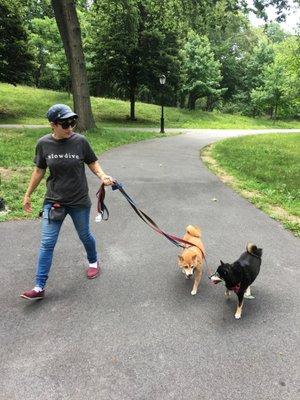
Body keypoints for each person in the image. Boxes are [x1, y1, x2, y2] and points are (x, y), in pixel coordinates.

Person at [21, 104, 115, 300]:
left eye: (73, 122)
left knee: (84, 235)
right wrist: (28, 194)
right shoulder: (43, 144)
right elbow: (39, 171)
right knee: (47, 243)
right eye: (65, 123)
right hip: (54, 201)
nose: (70, 126)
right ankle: (39, 287)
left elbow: (92, 162)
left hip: (79, 200)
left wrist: (102, 175)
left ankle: (93, 262)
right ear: (53, 125)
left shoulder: (80, 141)